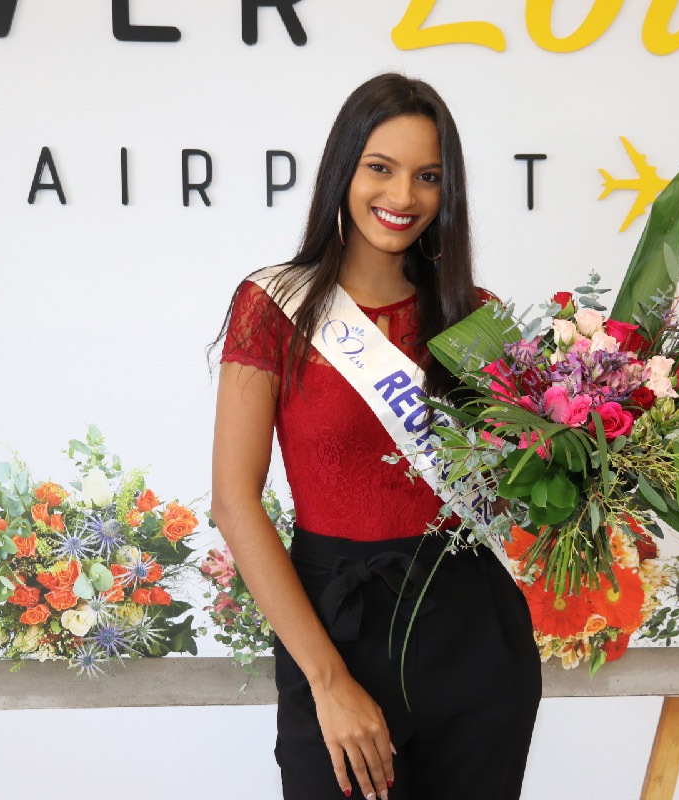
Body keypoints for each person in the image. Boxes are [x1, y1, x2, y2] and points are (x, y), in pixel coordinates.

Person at [210, 74, 541, 800]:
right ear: (343, 170)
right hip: (338, 623)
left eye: (428, 177)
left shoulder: (475, 318)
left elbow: (515, 486)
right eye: (381, 168)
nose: (404, 197)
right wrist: (327, 683)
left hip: (472, 628)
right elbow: (234, 501)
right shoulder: (274, 305)